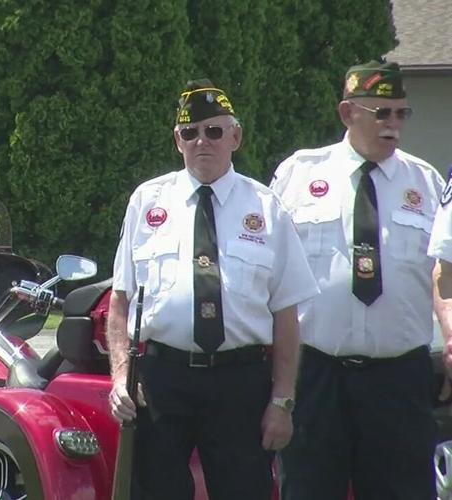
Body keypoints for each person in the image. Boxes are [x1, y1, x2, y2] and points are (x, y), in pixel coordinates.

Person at [107, 79, 318, 500]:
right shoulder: (147, 202)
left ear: (235, 136)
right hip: (163, 381)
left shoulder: (266, 208)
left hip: (240, 383)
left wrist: (283, 401)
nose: (202, 141)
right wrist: (119, 376)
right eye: (190, 133)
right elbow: (121, 301)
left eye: (214, 131)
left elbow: (286, 315)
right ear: (177, 141)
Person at [271, 61, 441, 500]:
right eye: (382, 113)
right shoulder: (299, 175)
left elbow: (447, 275)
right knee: (308, 488)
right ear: (348, 113)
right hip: (316, 374)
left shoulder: (425, 183)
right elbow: (266, 272)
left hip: (399, 378)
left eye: (402, 113)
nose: (394, 125)